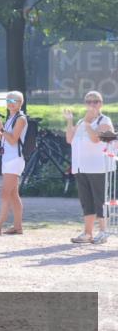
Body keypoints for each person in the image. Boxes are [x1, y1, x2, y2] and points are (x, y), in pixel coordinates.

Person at [65, 90, 114, 244]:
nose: (92, 104)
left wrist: (87, 123)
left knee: (100, 200)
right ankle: (88, 233)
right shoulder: (81, 122)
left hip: (98, 167)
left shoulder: (104, 121)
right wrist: (70, 121)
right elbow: (69, 139)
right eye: (89, 102)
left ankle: (103, 231)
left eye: (95, 101)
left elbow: (95, 139)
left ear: (101, 104)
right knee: (86, 201)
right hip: (81, 167)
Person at [0, 91, 27, 236]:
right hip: (8, 159)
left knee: (5, 194)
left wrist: (1, 128)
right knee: (13, 195)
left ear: (20, 103)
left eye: (14, 100)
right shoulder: (11, 118)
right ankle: (17, 227)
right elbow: (4, 139)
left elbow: (13, 140)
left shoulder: (20, 119)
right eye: (8, 100)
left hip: (14, 160)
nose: (10, 102)